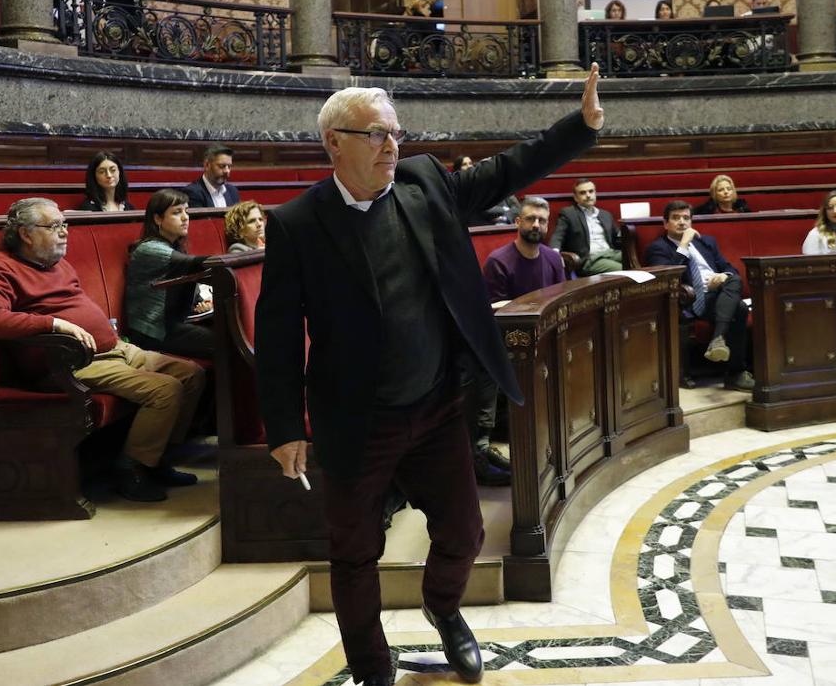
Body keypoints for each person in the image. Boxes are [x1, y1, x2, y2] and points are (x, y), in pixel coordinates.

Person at [256, 67, 604, 686]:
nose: (393, 146)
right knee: (355, 553)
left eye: (396, 133)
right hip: (356, 420)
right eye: (376, 135)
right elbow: (279, 336)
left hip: (438, 402)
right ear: (334, 142)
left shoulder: (422, 183)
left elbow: (506, 171)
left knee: (465, 531)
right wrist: (285, 428)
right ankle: (372, 670)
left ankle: (443, 609)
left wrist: (579, 127)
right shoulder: (297, 224)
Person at [0, 198, 204, 502]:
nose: (64, 232)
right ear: (26, 234)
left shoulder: (57, 264)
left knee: (192, 374)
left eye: (64, 224)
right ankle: (131, 470)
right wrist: (53, 324)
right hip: (74, 363)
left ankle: (156, 458)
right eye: (54, 226)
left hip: (117, 349)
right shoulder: (3, 268)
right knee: (166, 390)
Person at [467, 196, 566, 486]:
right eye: (530, 219)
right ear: (518, 222)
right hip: (503, 341)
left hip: (545, 337)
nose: (536, 224)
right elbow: (495, 312)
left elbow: (559, 301)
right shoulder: (499, 260)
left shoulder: (552, 258)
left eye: (542, 220)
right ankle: (480, 452)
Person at [644, 201, 754, 392]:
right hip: (693, 298)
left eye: (686, 218)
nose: (682, 222)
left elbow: (730, 268)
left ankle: (718, 342)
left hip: (720, 293)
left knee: (734, 281)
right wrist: (684, 244)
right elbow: (668, 277)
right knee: (740, 308)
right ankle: (735, 373)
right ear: (665, 224)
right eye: (676, 218)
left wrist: (723, 276)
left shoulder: (706, 242)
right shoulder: (658, 248)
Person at [125, 189, 214, 358]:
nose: (185, 217)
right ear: (158, 219)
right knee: (222, 342)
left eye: (186, 211)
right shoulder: (148, 249)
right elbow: (196, 264)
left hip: (173, 325)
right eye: (176, 212)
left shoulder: (173, 247)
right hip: (151, 331)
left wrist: (202, 302)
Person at [550, 178, 623, 275]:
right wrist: (554, 255)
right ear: (576, 198)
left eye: (591, 191)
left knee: (633, 261)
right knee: (622, 269)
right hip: (589, 259)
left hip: (610, 253)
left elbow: (618, 237)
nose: (588, 195)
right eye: (583, 193)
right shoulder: (569, 213)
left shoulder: (605, 214)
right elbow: (558, 236)